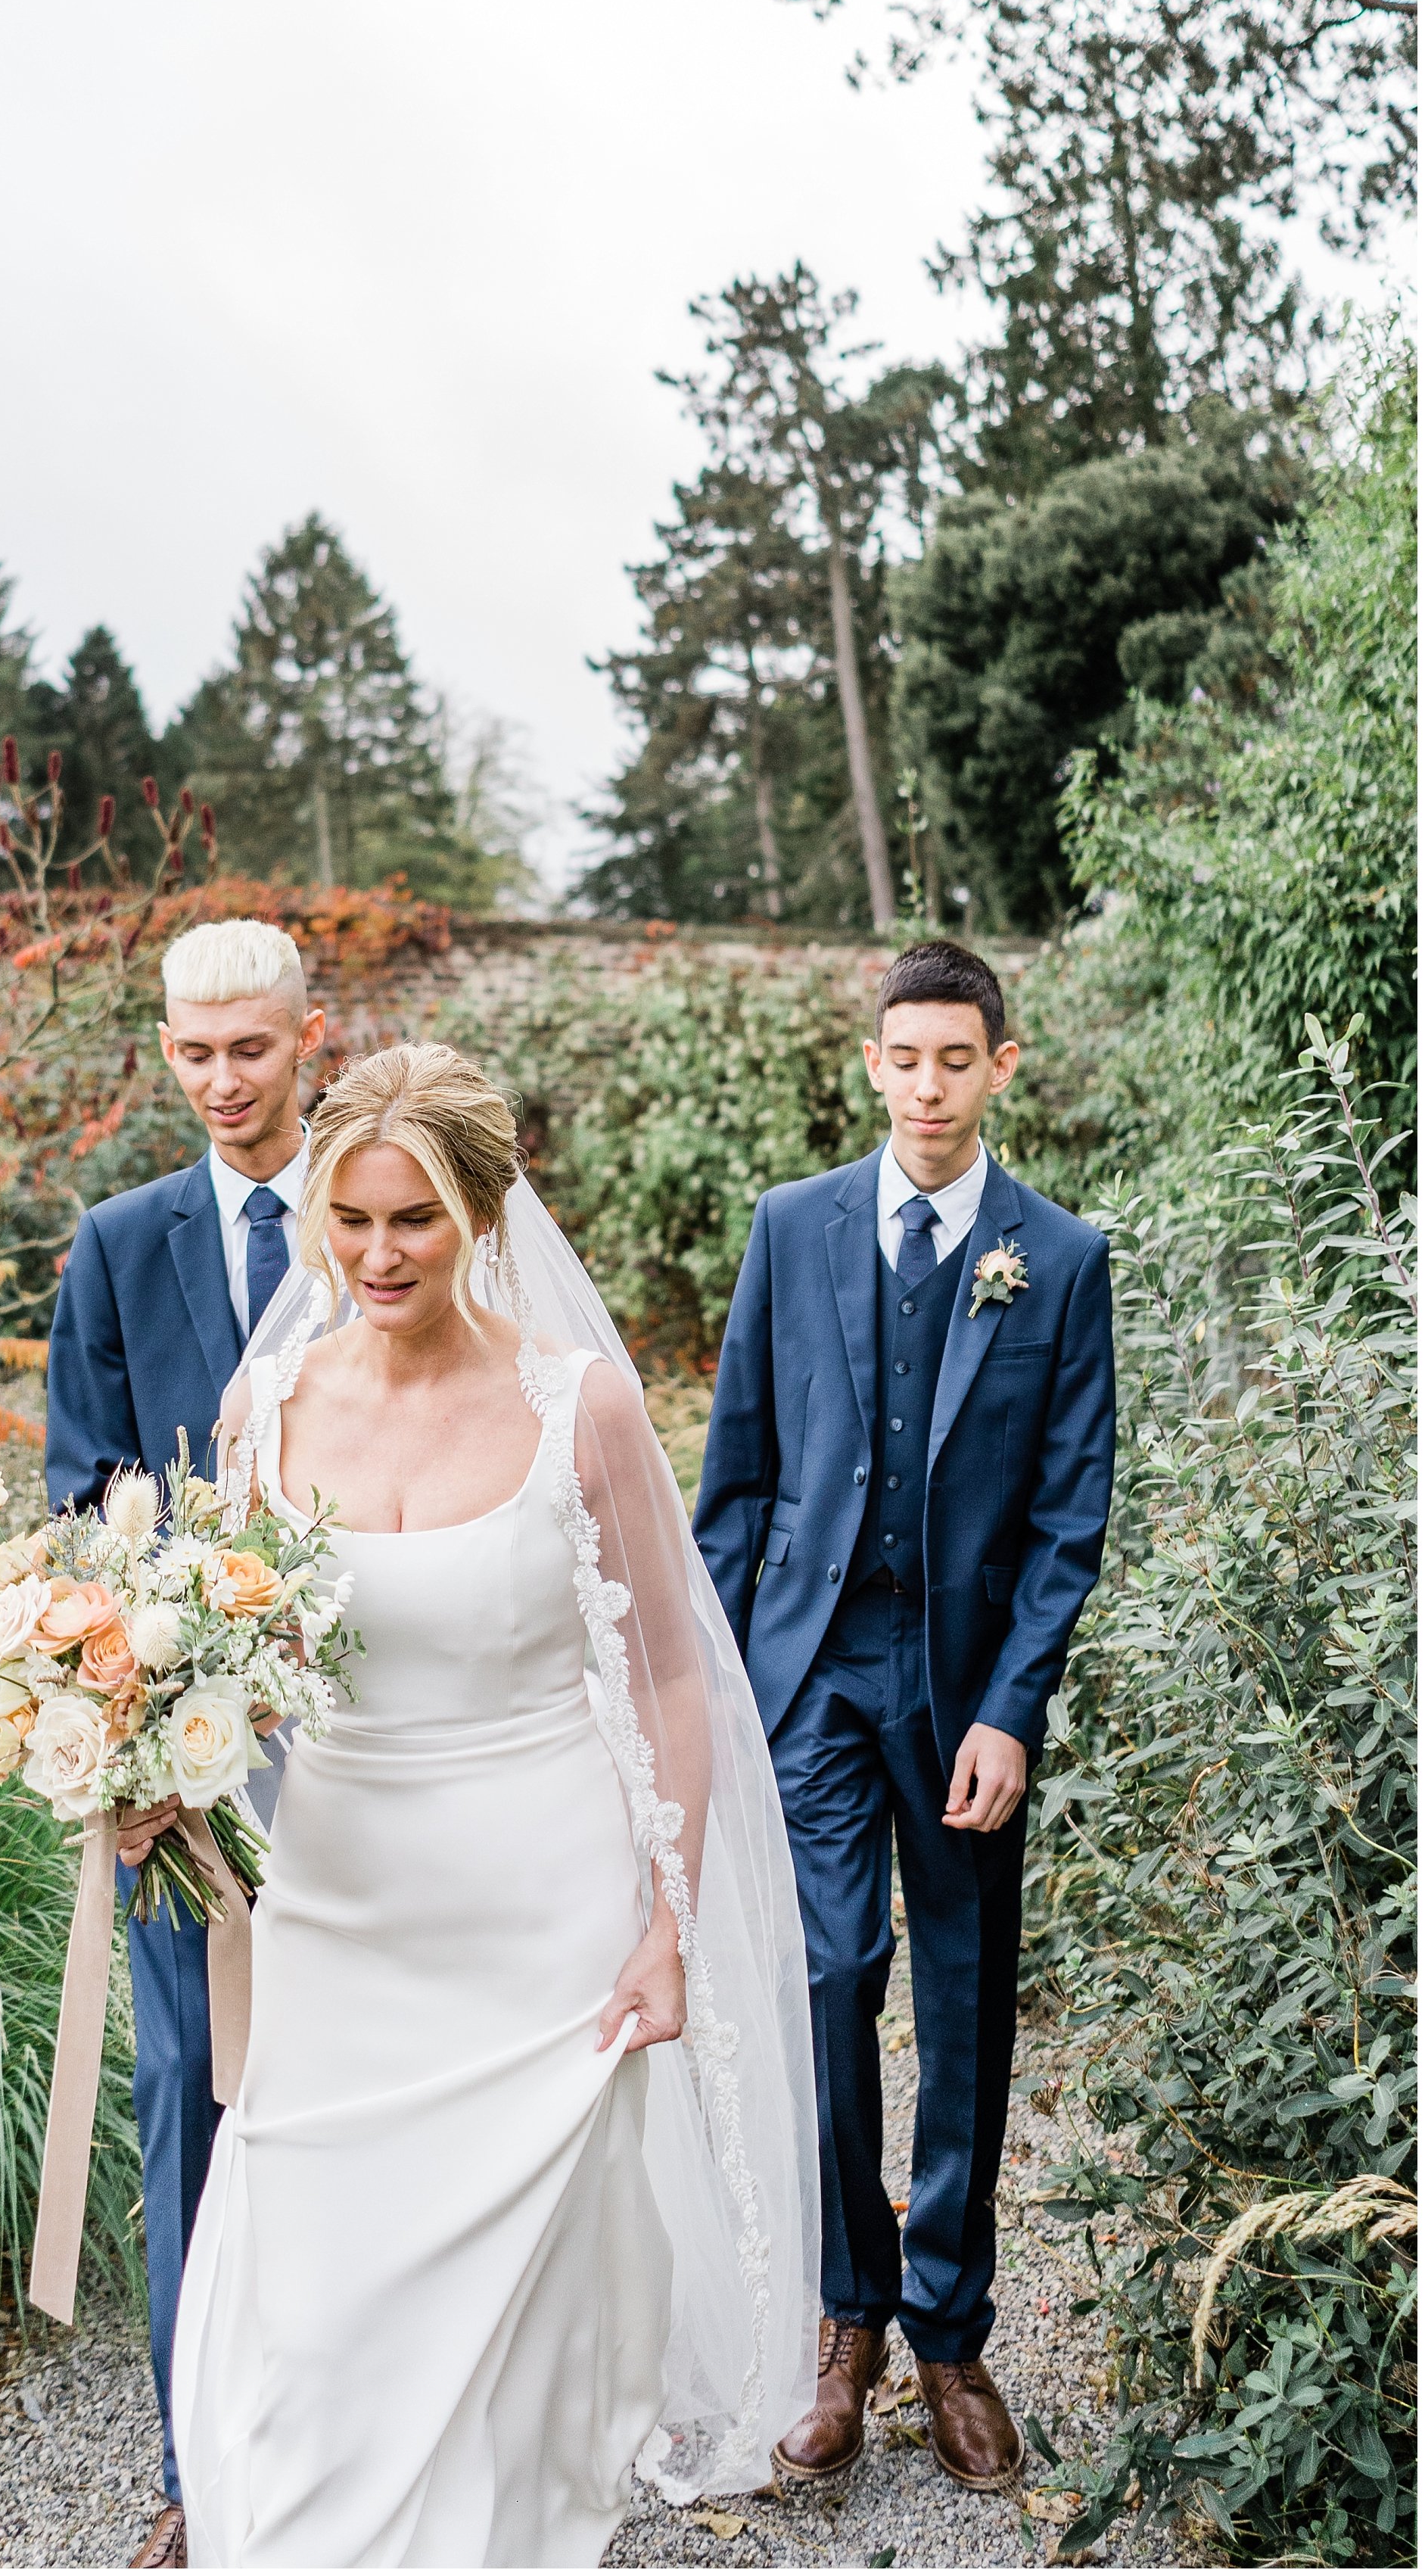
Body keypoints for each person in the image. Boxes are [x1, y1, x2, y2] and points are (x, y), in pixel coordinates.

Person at [173, 1042, 822, 2568]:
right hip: (336, 1916)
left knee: (522, 2359)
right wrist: (146, 1760)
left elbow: (667, 1677)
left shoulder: (576, 1406)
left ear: (479, 1216)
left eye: (413, 1221)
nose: (378, 1255)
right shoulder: (260, 1410)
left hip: (541, 1928)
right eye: (350, 1220)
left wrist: (666, 1926)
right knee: (314, 2321)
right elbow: (238, 1671)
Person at [694, 940, 1115, 2495]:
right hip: (806, 1675)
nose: (927, 1085)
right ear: (868, 1064)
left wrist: (1012, 1709)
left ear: (1000, 1065)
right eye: (903, 1057)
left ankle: (948, 2333)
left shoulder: (1054, 1259)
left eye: (956, 1058)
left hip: (959, 1702)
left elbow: (1069, 1518)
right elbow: (735, 1477)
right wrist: (716, 1695)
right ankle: (843, 2317)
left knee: (956, 2006)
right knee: (819, 1980)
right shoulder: (789, 1229)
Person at [45, 917, 325, 2572]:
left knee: (347, 2082)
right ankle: (193, 2465)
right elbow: (86, 1492)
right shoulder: (116, 1242)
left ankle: (340, 2432)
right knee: (186, 2101)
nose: (222, 1083)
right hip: (183, 1760)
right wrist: (131, 1710)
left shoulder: (372, 1228)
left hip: (363, 1745)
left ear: (309, 1038)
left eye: (251, 1049)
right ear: (165, 1048)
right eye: (193, 1051)